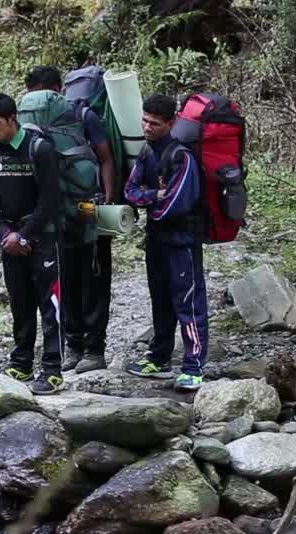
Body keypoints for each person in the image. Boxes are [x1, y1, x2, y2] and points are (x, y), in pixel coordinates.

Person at [24, 65, 116, 375]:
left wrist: (106, 201)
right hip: (57, 215)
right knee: (66, 281)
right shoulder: (30, 125)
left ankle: (95, 349)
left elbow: (105, 158)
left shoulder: (83, 116)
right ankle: (73, 345)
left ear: (59, 91)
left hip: (89, 208)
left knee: (94, 279)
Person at [0, 92, 65, 395]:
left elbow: (51, 199)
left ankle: (53, 369)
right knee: (20, 301)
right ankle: (22, 362)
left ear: (13, 120)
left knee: (49, 304)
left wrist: (24, 234)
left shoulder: (39, 149)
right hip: (9, 239)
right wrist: (5, 233)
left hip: (42, 238)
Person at [123, 94, 209, 392]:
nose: (147, 127)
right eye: (144, 121)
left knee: (187, 302)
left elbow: (177, 203)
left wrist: (153, 202)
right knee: (160, 300)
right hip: (156, 240)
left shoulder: (181, 157)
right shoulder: (147, 152)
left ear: (171, 123)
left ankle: (193, 366)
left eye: (154, 123)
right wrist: (152, 196)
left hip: (181, 242)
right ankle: (159, 357)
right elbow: (130, 190)